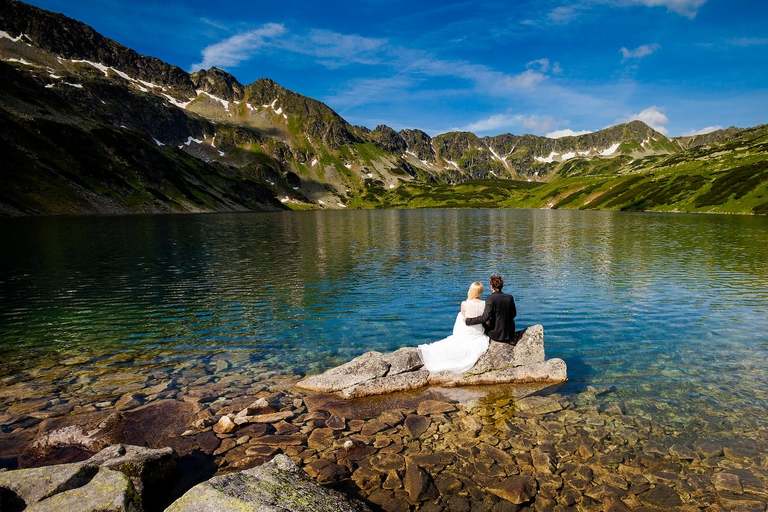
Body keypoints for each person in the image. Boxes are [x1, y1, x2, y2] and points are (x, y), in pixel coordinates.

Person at [418, 282, 490, 373]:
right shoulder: (485, 303)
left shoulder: (464, 303)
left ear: (471, 291)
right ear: (481, 292)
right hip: (478, 332)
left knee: (460, 315)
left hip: (467, 330)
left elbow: (464, 319)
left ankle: (460, 335)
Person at [465, 274, 516, 343]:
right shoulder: (510, 297)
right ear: (502, 286)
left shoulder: (490, 298)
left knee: (485, 323)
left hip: (496, 335)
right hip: (510, 334)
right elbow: (513, 314)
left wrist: (469, 321)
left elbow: (485, 317)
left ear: (491, 286)